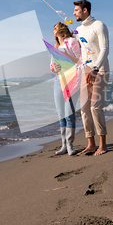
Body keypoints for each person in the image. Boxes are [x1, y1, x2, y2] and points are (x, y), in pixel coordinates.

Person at [73, 0, 110, 156]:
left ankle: (103, 144)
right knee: (84, 108)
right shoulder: (78, 30)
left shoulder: (99, 25)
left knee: (95, 107)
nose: (74, 13)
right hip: (84, 71)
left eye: (76, 10)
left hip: (99, 70)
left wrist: (95, 68)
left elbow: (105, 48)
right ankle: (91, 144)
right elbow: (78, 52)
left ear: (85, 10)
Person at [50, 22, 81, 156]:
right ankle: (63, 145)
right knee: (61, 114)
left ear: (62, 29)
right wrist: (54, 68)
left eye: (56, 27)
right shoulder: (54, 47)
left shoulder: (72, 42)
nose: (54, 30)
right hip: (59, 81)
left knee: (69, 113)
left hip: (72, 81)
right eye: (53, 28)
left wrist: (67, 56)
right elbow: (51, 66)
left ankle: (70, 144)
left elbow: (80, 60)